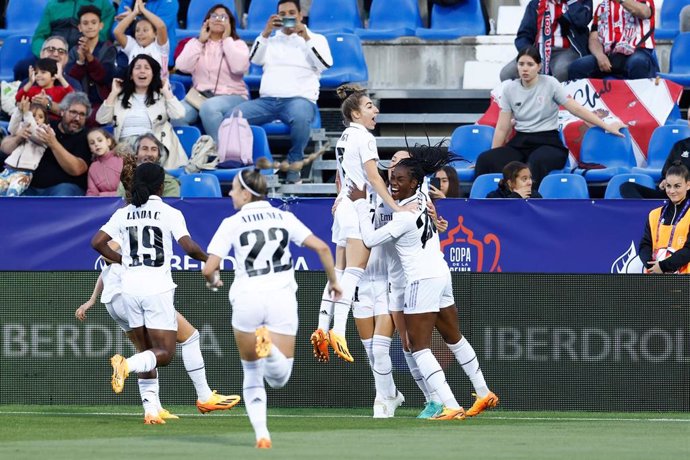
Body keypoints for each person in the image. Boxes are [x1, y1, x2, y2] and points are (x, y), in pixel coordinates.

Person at [350, 145, 497, 421]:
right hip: (441, 272)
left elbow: (369, 240)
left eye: (400, 179)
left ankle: (450, 405)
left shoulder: (405, 215)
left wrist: (359, 203)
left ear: (415, 182)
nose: (393, 184)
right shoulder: (419, 199)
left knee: (417, 347)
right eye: (392, 178)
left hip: (420, 279)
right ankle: (483, 390)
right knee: (454, 337)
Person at [202, 168, 342, 448]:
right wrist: (334, 282)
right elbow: (323, 248)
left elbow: (209, 268)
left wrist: (214, 280)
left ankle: (261, 434)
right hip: (280, 298)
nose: (229, 193)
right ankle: (269, 348)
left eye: (233, 189)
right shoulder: (284, 217)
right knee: (279, 378)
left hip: (246, 299)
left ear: (245, 193)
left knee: (252, 373)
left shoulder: (232, 222)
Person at [92, 163, 220, 411]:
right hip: (156, 289)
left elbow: (97, 243)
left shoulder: (124, 213)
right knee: (166, 354)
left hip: (129, 290)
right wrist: (209, 260)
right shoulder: (168, 212)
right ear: (161, 186)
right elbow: (189, 247)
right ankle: (125, 365)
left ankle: (152, 410)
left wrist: (123, 260)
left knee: (147, 351)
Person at [310, 85, 407, 364]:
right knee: (353, 273)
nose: (375, 110)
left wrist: (341, 196)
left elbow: (342, 178)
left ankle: (321, 325)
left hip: (343, 205)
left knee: (339, 271)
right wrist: (395, 205)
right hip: (355, 207)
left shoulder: (344, 136)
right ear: (355, 113)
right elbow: (374, 178)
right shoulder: (364, 138)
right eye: (369, 107)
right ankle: (338, 331)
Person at [475, 46, 626, 187]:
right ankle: (485, 203)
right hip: (520, 142)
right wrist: (493, 153)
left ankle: (532, 201)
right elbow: (502, 127)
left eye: (530, 64)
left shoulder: (550, 83)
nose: (525, 69)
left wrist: (606, 125)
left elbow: (576, 109)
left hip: (548, 142)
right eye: (521, 64)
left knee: (535, 163)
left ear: (539, 66)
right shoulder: (509, 89)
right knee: (485, 160)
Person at [231, 0, 333, 184]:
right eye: (283, 14)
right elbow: (253, 59)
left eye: (292, 13)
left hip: (299, 100)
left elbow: (324, 64)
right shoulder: (270, 39)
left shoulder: (316, 38)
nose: (287, 17)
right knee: (233, 117)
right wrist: (265, 32)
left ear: (301, 15)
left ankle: (294, 166)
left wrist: (306, 38)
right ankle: (249, 165)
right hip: (268, 101)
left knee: (301, 119)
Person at [96, 55, 188, 170]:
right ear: (131, 75)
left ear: (153, 74)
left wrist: (166, 92)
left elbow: (179, 114)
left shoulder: (161, 96)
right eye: (138, 68)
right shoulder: (119, 97)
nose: (142, 71)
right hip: (126, 146)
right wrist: (113, 93)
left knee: (146, 155)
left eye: (147, 68)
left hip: (153, 145)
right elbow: (101, 119)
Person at [175, 4, 250, 142]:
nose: (218, 19)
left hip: (232, 95)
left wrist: (227, 40)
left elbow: (239, 68)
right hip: (200, 96)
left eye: (223, 17)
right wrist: (200, 41)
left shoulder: (238, 44)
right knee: (176, 114)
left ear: (230, 23)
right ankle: (193, 152)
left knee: (209, 107)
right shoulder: (195, 43)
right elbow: (182, 66)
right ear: (207, 21)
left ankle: (220, 151)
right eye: (214, 16)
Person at [0, 92, 92, 196]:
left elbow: (77, 169)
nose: (77, 118)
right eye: (73, 112)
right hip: (28, 185)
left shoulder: (87, 136)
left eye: (82, 114)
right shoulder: (44, 124)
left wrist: (53, 143)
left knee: (64, 193)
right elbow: (4, 147)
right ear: (62, 112)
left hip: (63, 188)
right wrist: (18, 138)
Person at [500, 0, 592, 82]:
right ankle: (525, 100)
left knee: (562, 71)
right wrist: (529, 53)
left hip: (566, 51)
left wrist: (572, 2)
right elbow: (524, 35)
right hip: (538, 50)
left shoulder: (581, 2)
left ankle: (559, 100)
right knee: (507, 73)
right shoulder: (536, 4)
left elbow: (582, 21)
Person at [568, 0, 657, 80]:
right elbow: (594, 38)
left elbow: (644, 12)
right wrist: (600, 56)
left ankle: (640, 97)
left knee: (638, 62)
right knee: (577, 67)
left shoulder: (643, 1)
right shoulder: (601, 7)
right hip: (609, 56)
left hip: (637, 52)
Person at [66, 5, 120, 120]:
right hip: (78, 104)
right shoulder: (74, 51)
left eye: (93, 22)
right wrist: (80, 61)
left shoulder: (108, 48)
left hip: (101, 103)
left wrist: (89, 57)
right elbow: (70, 80)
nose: (90, 26)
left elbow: (104, 77)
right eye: (85, 23)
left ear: (101, 26)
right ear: (79, 27)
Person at [621, 114, 690, 199]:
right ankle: (645, 210)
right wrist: (664, 181)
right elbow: (666, 173)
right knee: (627, 186)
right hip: (672, 193)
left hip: (686, 193)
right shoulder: (680, 146)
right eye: (689, 119)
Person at [638, 163, 690, 274]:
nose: (672, 191)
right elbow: (645, 244)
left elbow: (689, 249)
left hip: (685, 281)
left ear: (688, 185)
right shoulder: (654, 214)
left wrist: (663, 266)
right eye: (668, 186)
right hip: (657, 279)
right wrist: (651, 266)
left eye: (677, 186)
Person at [31, 0, 115, 57]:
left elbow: (103, 34)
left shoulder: (103, 4)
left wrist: (87, 47)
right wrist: (44, 52)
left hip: (84, 53)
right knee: (23, 66)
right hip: (55, 54)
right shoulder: (52, 4)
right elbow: (39, 36)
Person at [0, 99, 48, 196]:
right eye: (33, 115)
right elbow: (11, 129)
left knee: (12, 195)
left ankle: (11, 211)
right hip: (8, 169)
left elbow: (34, 131)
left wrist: (27, 114)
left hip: (24, 173)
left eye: (40, 117)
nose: (36, 119)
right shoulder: (23, 127)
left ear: (45, 120)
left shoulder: (45, 132)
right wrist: (19, 110)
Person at [114, 0, 170, 79]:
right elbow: (117, 32)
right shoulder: (132, 46)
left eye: (145, 30)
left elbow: (161, 26)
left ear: (155, 34)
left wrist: (143, 10)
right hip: (135, 88)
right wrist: (134, 13)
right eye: (137, 30)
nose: (140, 33)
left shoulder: (160, 47)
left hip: (158, 89)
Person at [116, 133, 181, 198]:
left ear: (159, 156)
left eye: (154, 149)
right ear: (136, 153)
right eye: (144, 149)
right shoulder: (126, 182)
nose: (149, 154)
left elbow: (169, 206)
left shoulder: (169, 182)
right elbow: (120, 204)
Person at [86, 128, 123, 196]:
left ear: (108, 142)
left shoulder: (121, 160)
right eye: (92, 143)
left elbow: (129, 188)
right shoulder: (93, 168)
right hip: (104, 204)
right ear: (90, 149)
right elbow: (92, 193)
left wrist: (103, 195)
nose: (96, 144)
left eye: (100, 140)